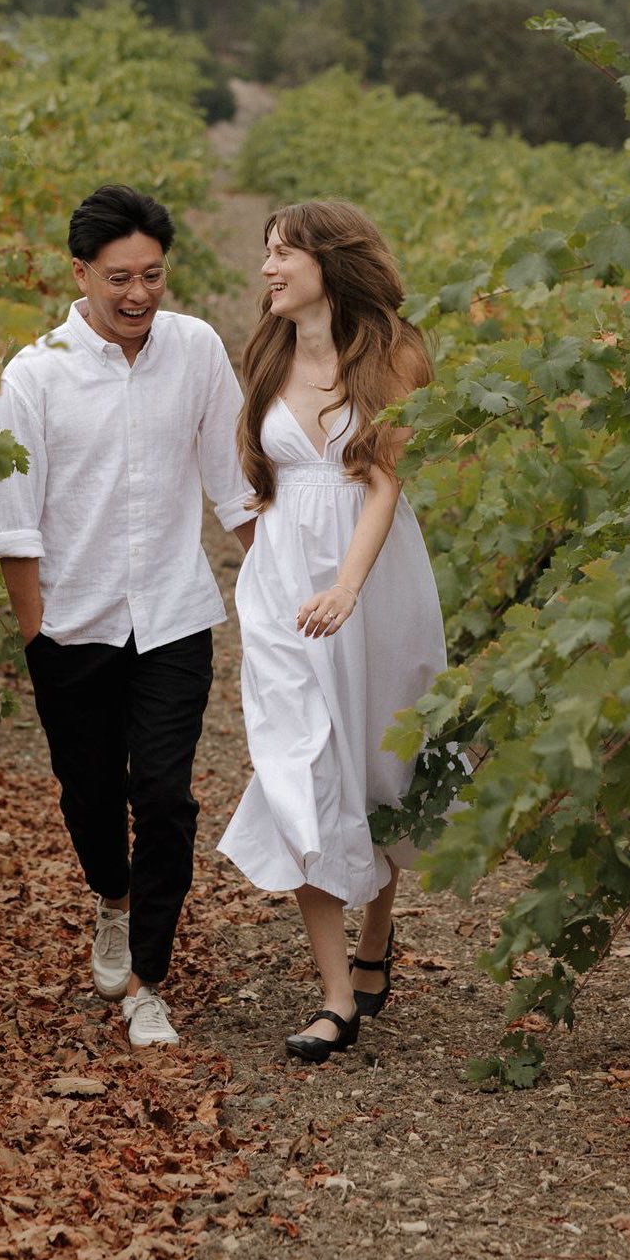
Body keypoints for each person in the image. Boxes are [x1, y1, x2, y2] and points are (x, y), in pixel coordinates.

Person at [0, 184, 254, 1049]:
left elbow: (234, 486)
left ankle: (147, 981)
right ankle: (114, 897)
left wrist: (290, 588)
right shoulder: (35, 376)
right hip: (73, 625)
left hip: (172, 615)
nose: (138, 296)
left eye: (154, 276)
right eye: (119, 279)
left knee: (165, 796)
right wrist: (37, 643)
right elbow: (11, 521)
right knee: (90, 797)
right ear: (81, 274)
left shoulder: (197, 350)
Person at [218, 200, 447, 1063]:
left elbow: (384, 481)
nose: (269, 268)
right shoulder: (268, 353)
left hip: (377, 579)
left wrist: (348, 586)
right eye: (267, 254)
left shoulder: (396, 352)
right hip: (283, 587)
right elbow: (262, 483)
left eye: (284, 254)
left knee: (379, 763)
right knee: (299, 767)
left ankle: (378, 933)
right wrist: (277, 574)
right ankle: (335, 997)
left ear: (330, 263)